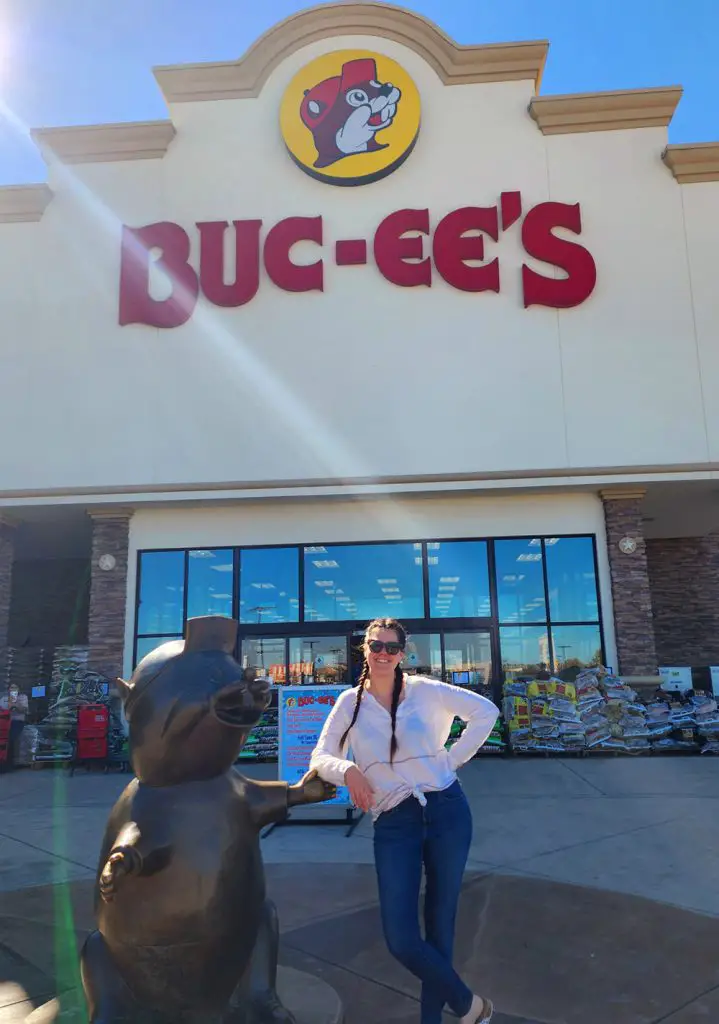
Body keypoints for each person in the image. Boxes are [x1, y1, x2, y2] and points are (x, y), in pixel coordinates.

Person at [309, 617, 499, 1024]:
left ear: (402, 654)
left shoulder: (425, 691)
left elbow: (485, 712)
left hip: (446, 809)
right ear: (364, 648)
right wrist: (349, 771)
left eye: (391, 648)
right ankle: (470, 1006)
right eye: (375, 645)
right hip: (395, 820)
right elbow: (320, 757)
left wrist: (450, 760)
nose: (382, 654)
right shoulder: (350, 703)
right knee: (401, 937)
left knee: (440, 926)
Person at [0, 684, 29, 769]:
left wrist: (15, 704)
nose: (13, 690)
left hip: (16, 722)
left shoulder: (23, 697)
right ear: (8, 689)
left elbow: (25, 710)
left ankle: (9, 764)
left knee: (11, 739)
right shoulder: (4, 698)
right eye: (12, 688)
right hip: (4, 722)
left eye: (15, 688)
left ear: (19, 689)